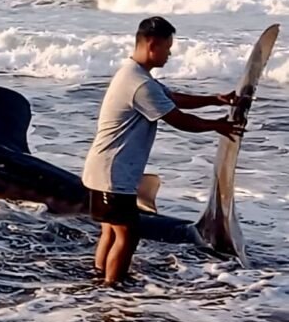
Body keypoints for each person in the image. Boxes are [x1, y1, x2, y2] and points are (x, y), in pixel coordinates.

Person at [82, 16, 244, 286]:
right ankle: (112, 288)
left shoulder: (133, 75)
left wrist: (215, 100)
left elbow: (174, 99)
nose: (169, 55)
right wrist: (218, 126)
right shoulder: (140, 84)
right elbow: (178, 119)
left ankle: (101, 276)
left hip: (103, 169)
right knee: (128, 234)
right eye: (167, 49)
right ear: (152, 44)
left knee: (111, 230)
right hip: (113, 173)